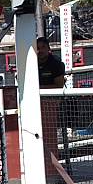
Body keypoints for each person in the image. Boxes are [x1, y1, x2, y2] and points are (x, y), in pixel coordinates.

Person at [35, 37, 65, 169]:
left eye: (43, 47)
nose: (40, 50)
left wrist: (38, 88)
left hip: (51, 104)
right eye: (38, 48)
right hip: (34, 104)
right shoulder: (30, 62)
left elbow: (59, 86)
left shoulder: (56, 65)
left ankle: (51, 165)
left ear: (48, 49)